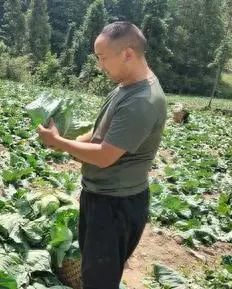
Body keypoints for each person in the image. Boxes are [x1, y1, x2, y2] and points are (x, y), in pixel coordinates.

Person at [37, 22, 167, 289]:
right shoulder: (125, 86)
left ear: (128, 54)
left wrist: (60, 143)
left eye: (103, 58)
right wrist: (65, 140)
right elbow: (100, 134)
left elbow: (105, 155)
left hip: (115, 206)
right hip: (101, 198)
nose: (100, 66)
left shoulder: (141, 100)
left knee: (99, 281)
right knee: (95, 271)